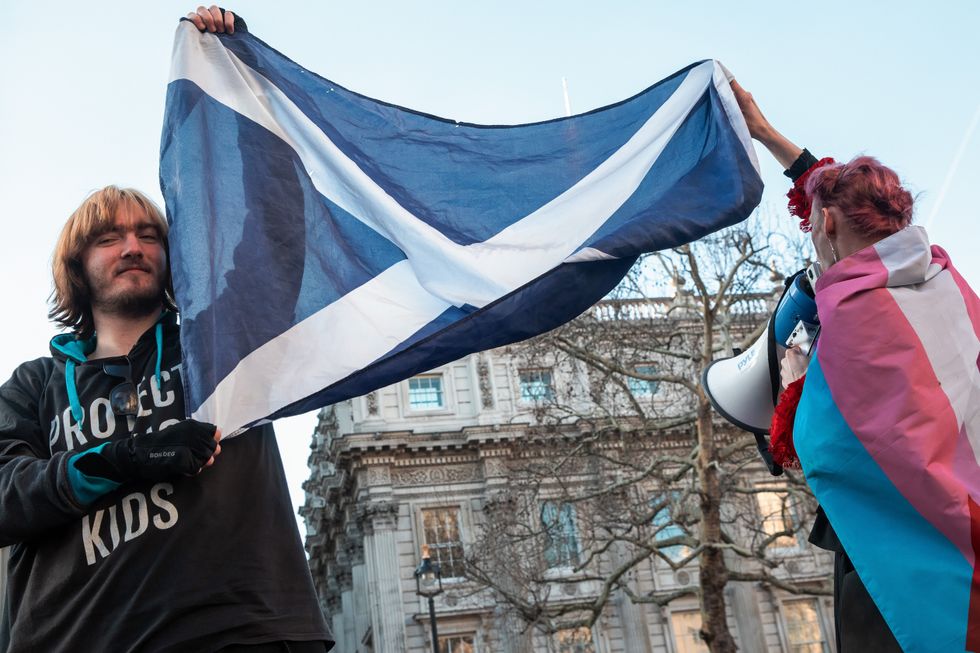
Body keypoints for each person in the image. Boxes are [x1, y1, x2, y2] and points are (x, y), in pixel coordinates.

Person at [0, 8, 333, 653]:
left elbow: (276, 225)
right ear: (76, 267)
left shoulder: (222, 337)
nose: (132, 246)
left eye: (148, 234)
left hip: (241, 631)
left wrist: (239, 73)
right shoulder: (34, 387)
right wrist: (116, 459)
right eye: (109, 238)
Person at [731, 79, 980, 652]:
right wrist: (768, 136)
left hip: (893, 563)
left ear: (829, 226)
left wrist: (795, 386)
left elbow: (818, 445)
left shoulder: (856, 316)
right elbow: (836, 190)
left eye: (815, 222)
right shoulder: (935, 275)